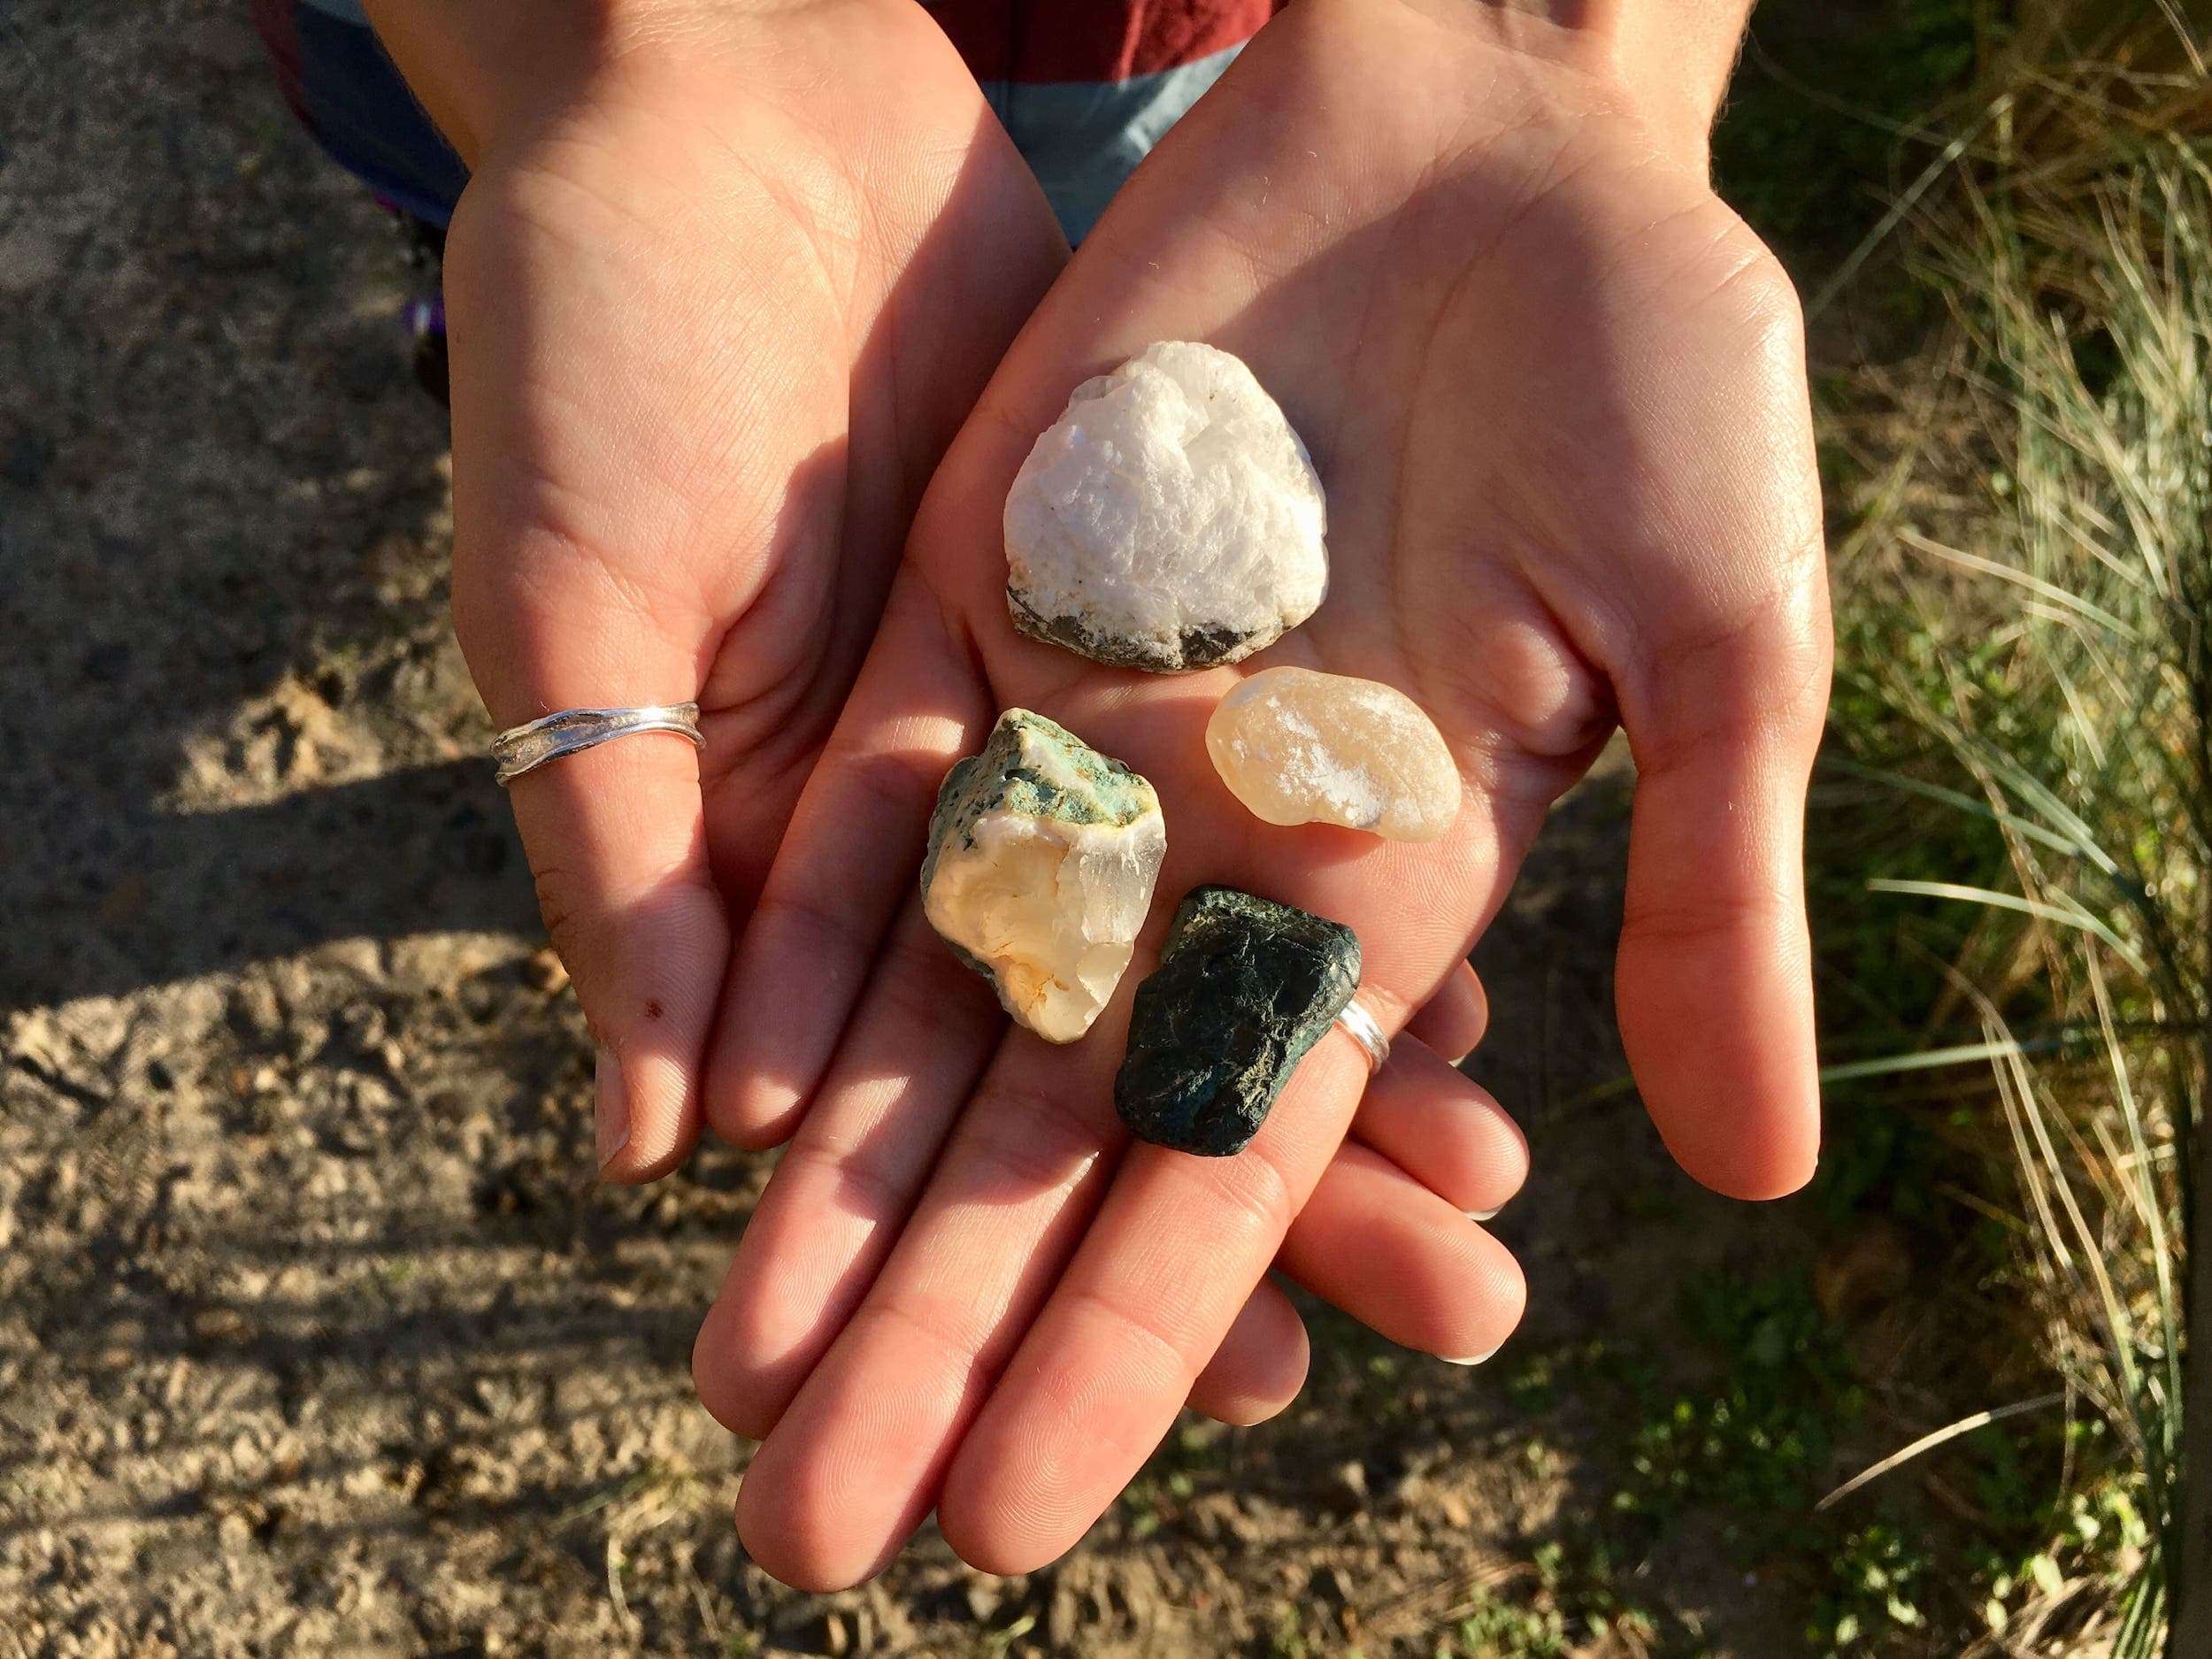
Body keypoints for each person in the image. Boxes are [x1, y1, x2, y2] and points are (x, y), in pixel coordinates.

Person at [256, 0, 1830, 1591]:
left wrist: (1553, 58)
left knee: (1090, 242)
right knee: (506, 233)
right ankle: (463, 294)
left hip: (1228, 77)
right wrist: (632, 48)